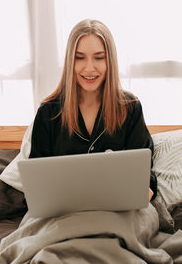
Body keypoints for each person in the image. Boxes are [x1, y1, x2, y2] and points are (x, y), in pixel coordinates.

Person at [29, 19, 157, 201]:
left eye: (99, 57)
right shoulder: (48, 113)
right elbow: (37, 180)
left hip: (119, 211)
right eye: (79, 58)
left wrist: (145, 189)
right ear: (69, 62)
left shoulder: (130, 108)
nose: (89, 68)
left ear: (110, 61)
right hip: (64, 214)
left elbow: (144, 171)